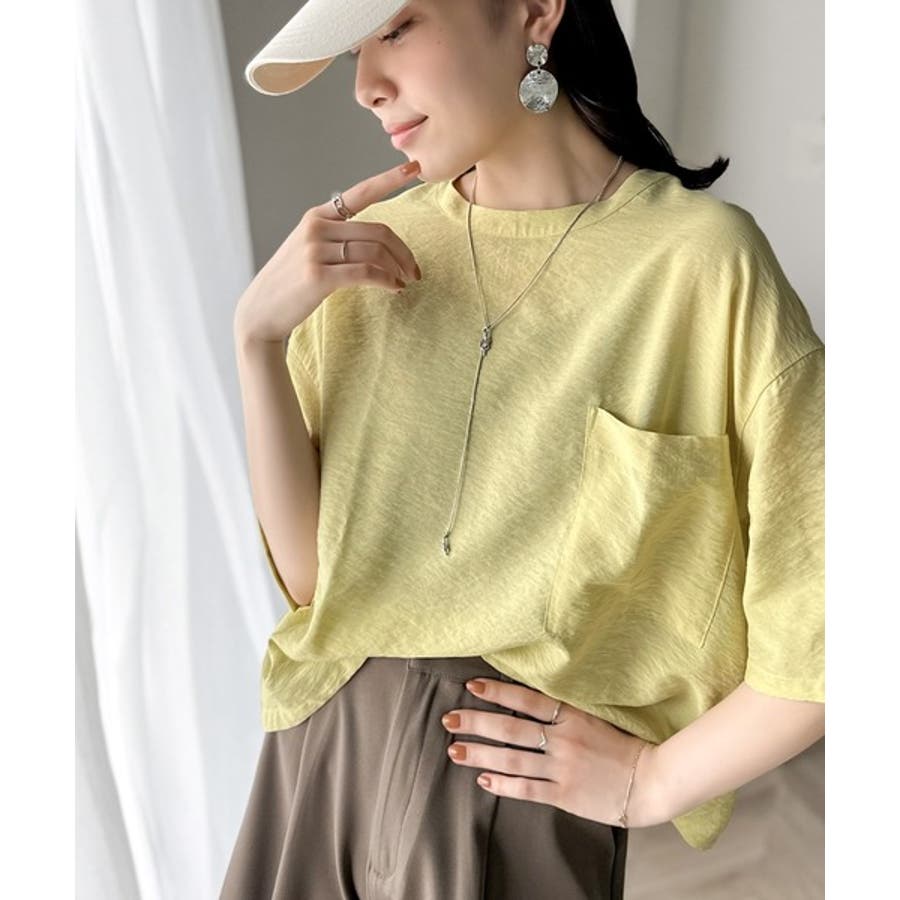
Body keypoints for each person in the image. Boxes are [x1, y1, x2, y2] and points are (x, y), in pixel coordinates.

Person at [221, 1, 825, 897]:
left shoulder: (699, 266)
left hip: (511, 802)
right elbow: (321, 585)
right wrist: (257, 343)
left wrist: (652, 782)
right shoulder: (372, 260)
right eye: (354, 52)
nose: (366, 86)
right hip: (316, 770)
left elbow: (831, 614)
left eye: (396, 28)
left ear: (536, 11)